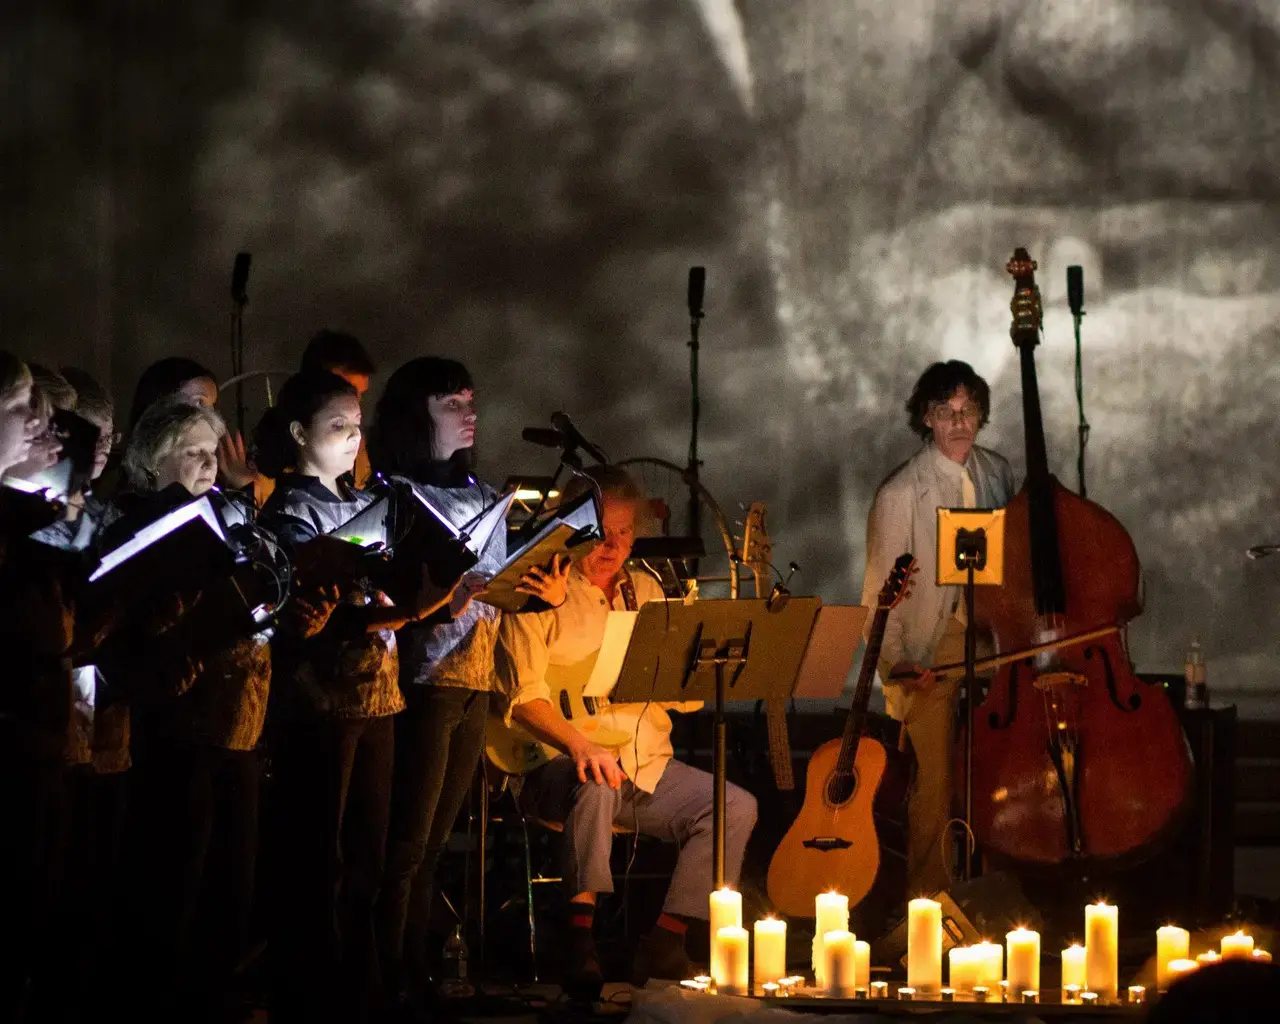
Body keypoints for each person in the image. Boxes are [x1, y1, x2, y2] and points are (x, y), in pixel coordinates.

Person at [494, 465, 759, 993]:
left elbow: (679, 700)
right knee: (594, 783)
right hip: (555, 769)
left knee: (734, 806)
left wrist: (699, 662)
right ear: (572, 528)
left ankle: (665, 938)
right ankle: (579, 942)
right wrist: (581, 745)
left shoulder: (644, 590)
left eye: (624, 532)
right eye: (600, 531)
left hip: (643, 765)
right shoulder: (541, 589)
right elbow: (523, 699)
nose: (612, 544)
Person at [256, 370, 460, 1022]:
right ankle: (314, 995)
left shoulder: (361, 500)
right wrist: (400, 611)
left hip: (379, 699)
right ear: (298, 434)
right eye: (337, 425)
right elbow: (314, 616)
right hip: (321, 705)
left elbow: (384, 589)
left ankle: (364, 989)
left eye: (357, 424)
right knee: (319, 861)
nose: (353, 437)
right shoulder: (290, 511)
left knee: (368, 861)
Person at [369, 356, 563, 1005]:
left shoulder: (484, 496)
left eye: (471, 400)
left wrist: (543, 593)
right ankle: (383, 973)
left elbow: (498, 590)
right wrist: (437, 599)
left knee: (434, 846)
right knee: (406, 843)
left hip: (476, 678)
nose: (470, 413)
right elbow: (396, 598)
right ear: (416, 415)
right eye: (453, 403)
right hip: (420, 682)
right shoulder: (395, 495)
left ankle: (417, 969)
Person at [104, 395, 292, 1019]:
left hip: (238, 724)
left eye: (213, 454)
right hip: (175, 728)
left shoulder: (224, 522)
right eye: (194, 454)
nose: (210, 466)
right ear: (153, 460)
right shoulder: (134, 525)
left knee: (231, 885)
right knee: (174, 881)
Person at [861, 360, 1014, 897]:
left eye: (969, 411)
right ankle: (928, 903)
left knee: (1004, 765)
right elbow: (878, 595)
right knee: (936, 779)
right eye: (946, 412)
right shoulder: (902, 492)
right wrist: (898, 663)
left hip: (995, 636)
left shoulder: (998, 473)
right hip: (932, 641)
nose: (959, 422)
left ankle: (1000, 893)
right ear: (926, 417)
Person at [299, 329, 378, 489]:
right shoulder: (272, 468)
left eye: (360, 395)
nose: (355, 404)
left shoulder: (362, 451)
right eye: (347, 391)